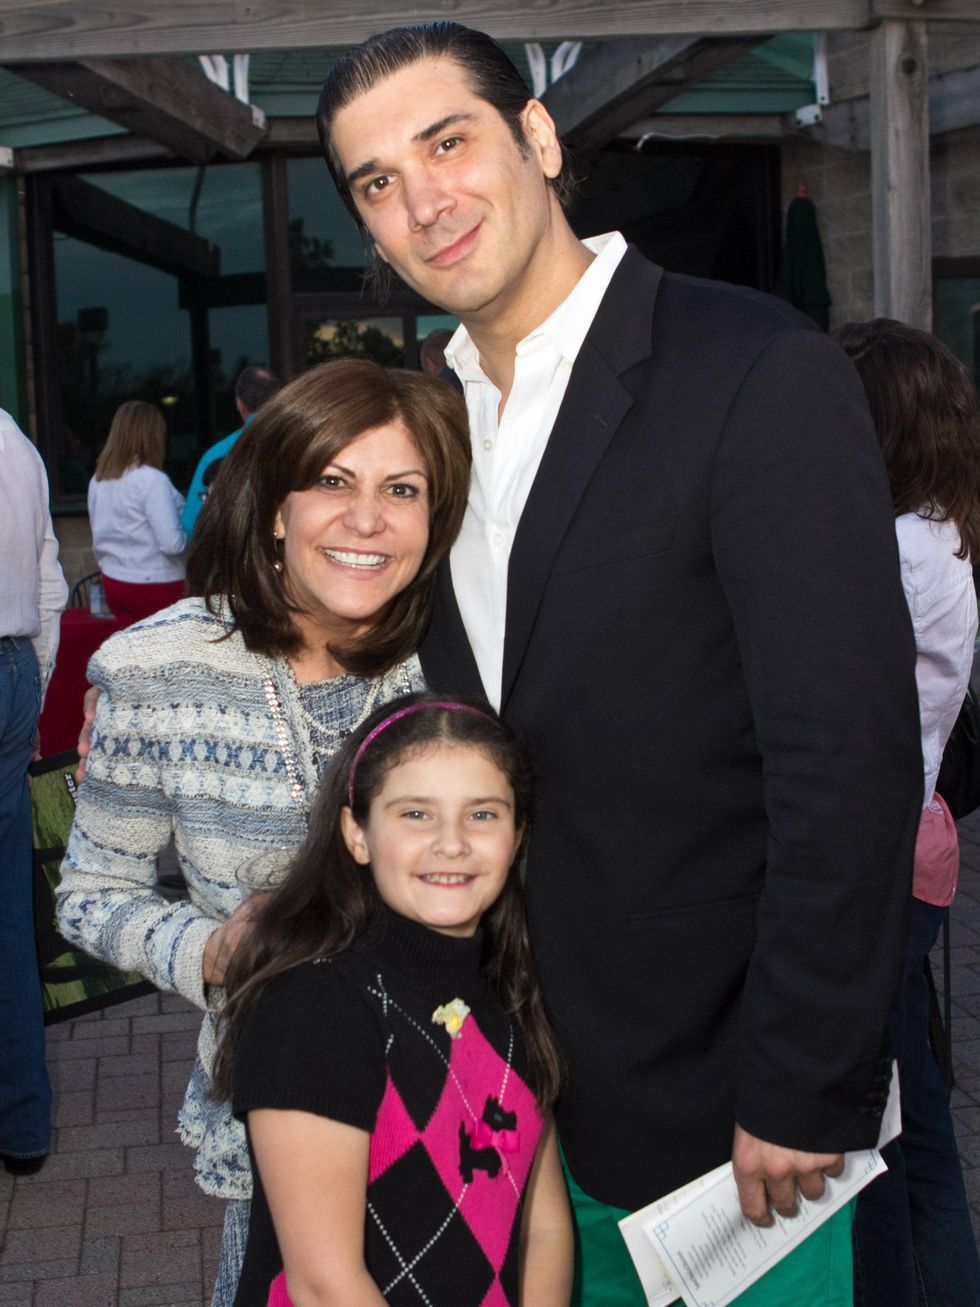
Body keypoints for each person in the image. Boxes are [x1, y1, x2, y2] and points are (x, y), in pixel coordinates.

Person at [316, 23, 922, 1304]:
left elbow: (846, 756)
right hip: (509, 1097)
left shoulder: (752, 369)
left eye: (446, 142)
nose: (422, 202)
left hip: (732, 1118)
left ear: (536, 139)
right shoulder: (423, 423)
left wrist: (805, 1079)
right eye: (376, 181)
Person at [57, 358, 471, 1306]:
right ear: (273, 505)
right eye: (331, 481)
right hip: (280, 1133)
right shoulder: (158, 668)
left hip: (470, 1111)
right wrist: (217, 949)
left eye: (400, 489)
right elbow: (91, 894)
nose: (366, 519)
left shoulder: (462, 657)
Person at [213, 693, 572, 1307]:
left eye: (483, 815)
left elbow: (539, 1225)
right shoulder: (315, 1006)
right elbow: (325, 1285)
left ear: (517, 836)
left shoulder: (508, 989)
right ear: (356, 834)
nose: (452, 843)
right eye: (415, 815)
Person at [835, 319, 980, 1307]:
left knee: (881, 1137)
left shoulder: (892, 545)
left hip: (873, 867)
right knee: (911, 1121)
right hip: (903, 854)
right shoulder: (937, 525)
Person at [0, 408, 68, 1176]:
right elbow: (48, 583)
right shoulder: (13, 438)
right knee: (10, 911)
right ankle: (22, 1121)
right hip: (14, 665)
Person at [87, 399, 187, 626]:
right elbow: (172, 544)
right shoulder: (152, 479)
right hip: (157, 584)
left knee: (132, 656)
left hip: (114, 581)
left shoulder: (98, 479)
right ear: (153, 435)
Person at [182, 366, 281, 536]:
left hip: (239, 557)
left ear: (239, 403)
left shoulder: (217, 455)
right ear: (281, 399)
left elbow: (192, 525)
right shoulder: (305, 444)